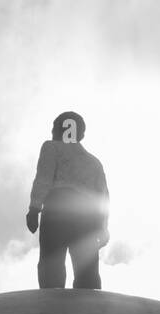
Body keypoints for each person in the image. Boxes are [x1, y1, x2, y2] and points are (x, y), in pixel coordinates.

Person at [26, 112, 110, 289]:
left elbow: (44, 177)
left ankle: (51, 304)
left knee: (52, 264)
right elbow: (102, 198)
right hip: (87, 217)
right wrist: (102, 227)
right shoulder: (94, 163)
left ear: (58, 130)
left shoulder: (52, 147)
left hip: (58, 209)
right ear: (81, 134)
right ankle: (88, 307)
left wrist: (34, 208)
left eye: (54, 128)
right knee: (87, 271)